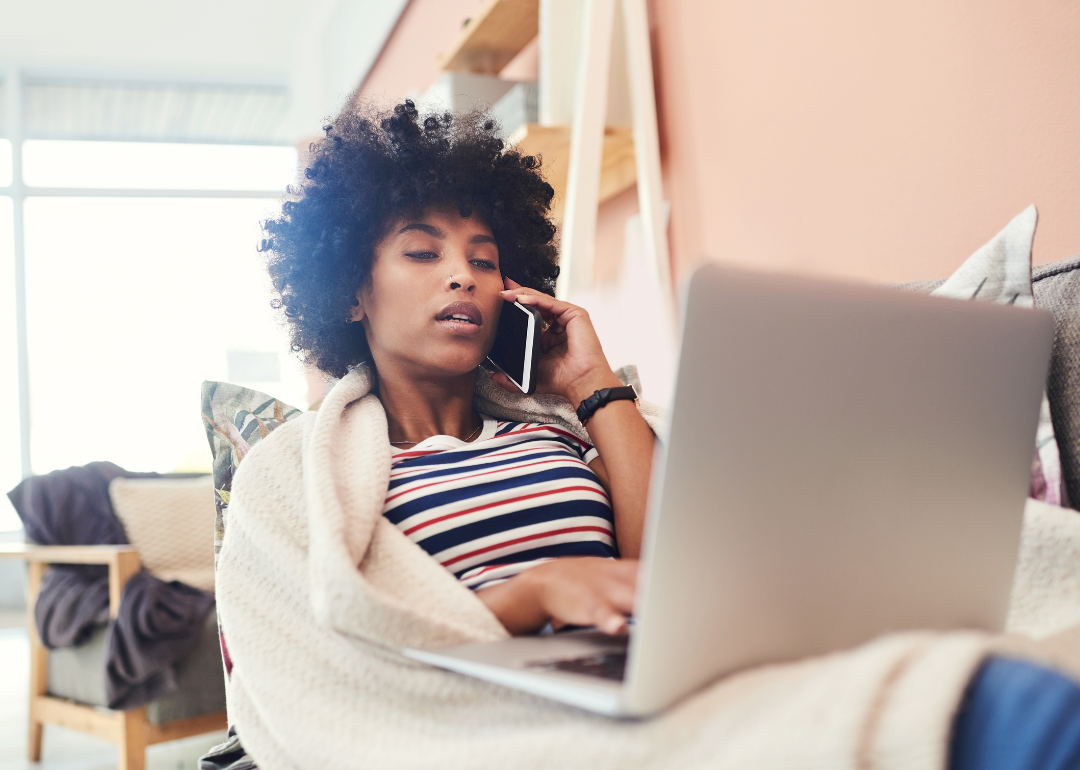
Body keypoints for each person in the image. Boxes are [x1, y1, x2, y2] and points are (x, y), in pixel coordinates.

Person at [210, 99, 1080, 770]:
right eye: (422, 252)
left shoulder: (554, 434)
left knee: (985, 676)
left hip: (653, 678)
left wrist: (594, 387)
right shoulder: (306, 475)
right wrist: (538, 589)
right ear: (351, 291)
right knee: (997, 712)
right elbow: (349, 661)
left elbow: (675, 569)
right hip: (500, 722)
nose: (464, 277)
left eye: (483, 257)